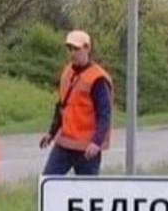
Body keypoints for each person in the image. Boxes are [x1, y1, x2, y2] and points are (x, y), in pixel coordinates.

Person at [39, 29, 113, 176]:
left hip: (87, 148)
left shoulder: (97, 78)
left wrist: (96, 142)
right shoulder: (67, 72)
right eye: (70, 49)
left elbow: (104, 114)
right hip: (65, 143)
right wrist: (51, 133)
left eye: (77, 49)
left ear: (87, 48)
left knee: (87, 192)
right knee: (48, 183)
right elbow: (62, 105)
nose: (73, 53)